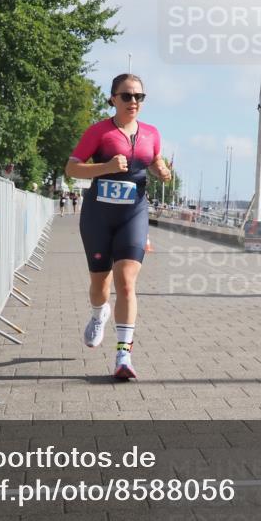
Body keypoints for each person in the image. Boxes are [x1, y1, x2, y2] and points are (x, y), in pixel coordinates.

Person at [65, 73, 171, 379]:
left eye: (139, 96)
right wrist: (107, 167)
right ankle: (99, 313)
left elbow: (154, 158)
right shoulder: (98, 131)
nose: (134, 102)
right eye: (126, 96)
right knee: (100, 286)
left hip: (133, 214)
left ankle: (123, 356)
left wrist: (161, 169)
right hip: (98, 215)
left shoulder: (152, 133)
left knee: (126, 282)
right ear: (113, 98)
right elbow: (71, 167)